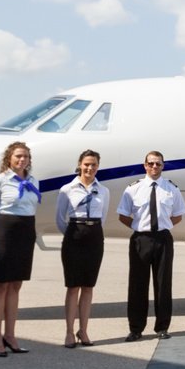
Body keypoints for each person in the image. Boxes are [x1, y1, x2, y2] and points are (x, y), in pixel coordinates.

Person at [0, 141, 42, 358]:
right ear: (9, 159)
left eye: (25, 157)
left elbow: (31, 208)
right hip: (4, 233)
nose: (22, 160)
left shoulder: (33, 181)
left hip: (25, 232)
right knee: (1, 286)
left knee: (16, 285)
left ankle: (10, 335)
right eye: (17, 157)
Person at [117, 150, 185, 341]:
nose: (154, 167)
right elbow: (123, 215)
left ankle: (162, 327)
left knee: (163, 284)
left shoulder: (171, 189)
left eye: (158, 164)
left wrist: (165, 226)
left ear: (163, 166)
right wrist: (139, 228)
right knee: (138, 285)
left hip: (163, 239)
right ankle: (136, 329)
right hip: (141, 240)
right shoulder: (133, 189)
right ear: (145, 165)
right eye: (151, 163)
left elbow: (179, 214)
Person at [55, 149, 108, 348]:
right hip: (74, 236)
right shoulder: (67, 189)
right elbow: (60, 218)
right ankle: (69, 332)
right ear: (80, 164)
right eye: (86, 164)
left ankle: (83, 330)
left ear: (98, 167)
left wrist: (89, 230)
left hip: (94, 236)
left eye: (93, 164)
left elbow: (102, 216)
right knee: (73, 286)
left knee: (88, 286)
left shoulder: (103, 191)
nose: (90, 168)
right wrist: (73, 234)